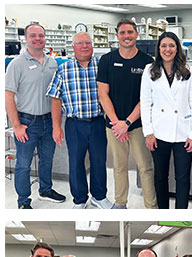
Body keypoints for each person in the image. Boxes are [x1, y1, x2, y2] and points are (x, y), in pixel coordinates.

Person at [46, 32, 112, 209]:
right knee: (76, 162)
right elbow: (55, 99)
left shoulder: (102, 65)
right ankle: (79, 199)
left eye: (88, 43)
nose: (84, 46)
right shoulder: (63, 69)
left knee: (99, 161)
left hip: (98, 122)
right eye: (80, 43)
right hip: (74, 124)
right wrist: (56, 127)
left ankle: (99, 196)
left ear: (92, 46)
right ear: (73, 47)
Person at [97, 18, 157, 209]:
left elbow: (147, 98)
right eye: (122, 33)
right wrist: (117, 123)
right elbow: (103, 95)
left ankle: (151, 206)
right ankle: (120, 203)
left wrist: (128, 123)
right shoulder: (107, 60)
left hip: (139, 124)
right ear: (117, 36)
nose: (126, 36)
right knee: (119, 166)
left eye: (130, 32)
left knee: (145, 167)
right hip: (114, 126)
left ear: (137, 34)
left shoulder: (147, 62)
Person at [5, 24, 66, 209]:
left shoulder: (52, 63)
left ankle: (45, 190)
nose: (37, 38)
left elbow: (57, 94)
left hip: (49, 120)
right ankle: (23, 201)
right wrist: (16, 125)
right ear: (26, 38)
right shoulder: (17, 64)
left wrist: (57, 124)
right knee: (23, 164)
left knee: (47, 159)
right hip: (27, 122)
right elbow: (8, 96)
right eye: (33, 35)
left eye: (41, 35)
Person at [140, 31, 192, 209]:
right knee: (160, 176)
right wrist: (148, 132)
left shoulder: (189, 70)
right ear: (158, 48)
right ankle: (163, 213)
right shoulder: (149, 70)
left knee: (182, 177)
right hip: (159, 132)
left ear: (177, 48)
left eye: (171, 45)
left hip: (184, 132)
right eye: (164, 45)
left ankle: (181, 213)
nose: (167, 49)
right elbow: (145, 102)